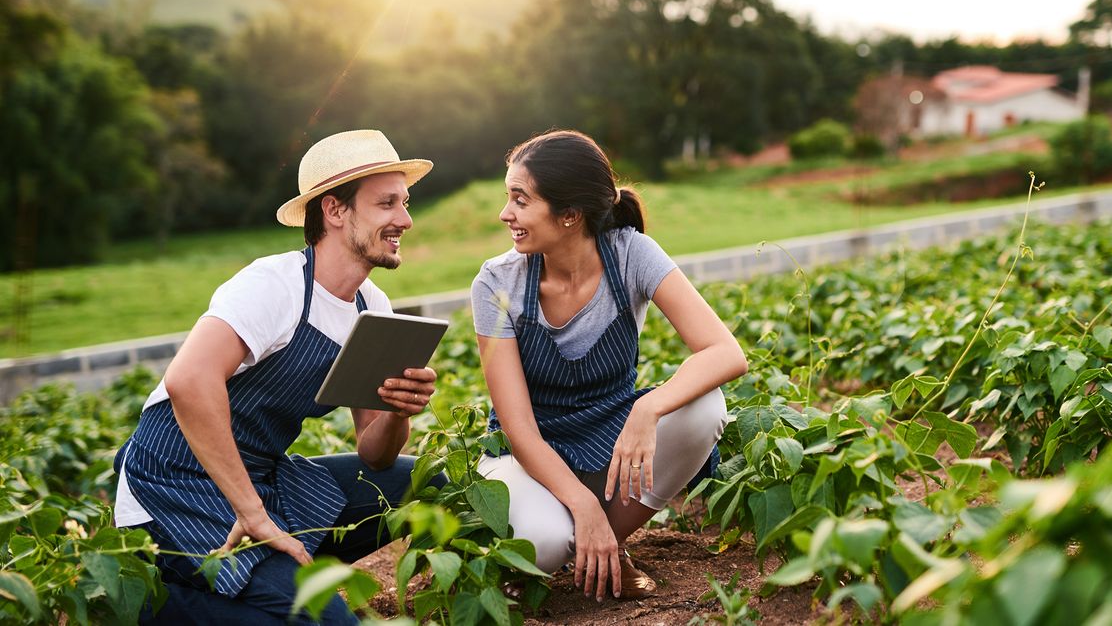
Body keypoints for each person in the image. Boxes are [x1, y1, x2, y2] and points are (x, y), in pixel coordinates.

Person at [113, 129, 441, 625]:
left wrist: (399, 409)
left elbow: (375, 455)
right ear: (335, 211)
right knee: (327, 622)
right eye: (387, 204)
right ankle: (157, 598)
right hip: (175, 481)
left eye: (405, 202)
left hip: (262, 475)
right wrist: (252, 513)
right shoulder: (275, 285)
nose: (405, 219)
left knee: (423, 482)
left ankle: (270, 584)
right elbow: (189, 380)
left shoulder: (371, 306)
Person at [471, 129, 748, 603]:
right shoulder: (497, 283)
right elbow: (518, 429)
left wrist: (648, 410)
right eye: (508, 197)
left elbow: (726, 353)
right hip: (529, 452)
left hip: (611, 436)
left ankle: (605, 544)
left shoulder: (631, 254)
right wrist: (583, 504)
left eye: (521, 199)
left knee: (705, 407)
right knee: (542, 545)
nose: (505, 213)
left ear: (570, 215)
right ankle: (582, 535)